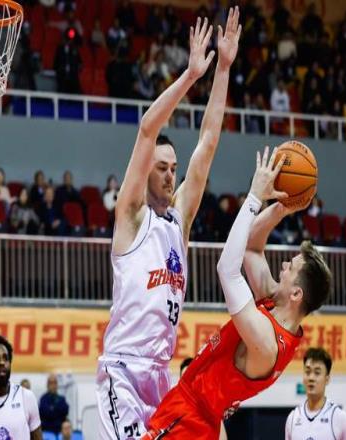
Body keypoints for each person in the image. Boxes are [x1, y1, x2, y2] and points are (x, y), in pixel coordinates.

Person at [97, 8, 242, 439]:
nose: (169, 174)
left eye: (173, 168)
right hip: (124, 370)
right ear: (146, 172)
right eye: (161, 167)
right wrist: (191, 77)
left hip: (161, 375)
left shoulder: (178, 222)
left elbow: (208, 143)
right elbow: (147, 129)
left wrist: (224, 69)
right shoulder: (130, 216)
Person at [143, 146, 332, 439]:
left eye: (291, 266)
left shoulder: (267, 341)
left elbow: (227, 269)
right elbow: (252, 247)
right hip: (196, 416)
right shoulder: (276, 308)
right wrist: (282, 207)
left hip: (189, 419)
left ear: (296, 294)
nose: (283, 265)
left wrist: (255, 196)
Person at [285, 347, 346, 440]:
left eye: (317, 373)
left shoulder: (338, 417)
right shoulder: (293, 418)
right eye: (307, 372)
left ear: (327, 379)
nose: (311, 378)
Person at [180, 358, 227, 440]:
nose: (188, 384)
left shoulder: (212, 414)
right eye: (185, 379)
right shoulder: (172, 409)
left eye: (191, 378)